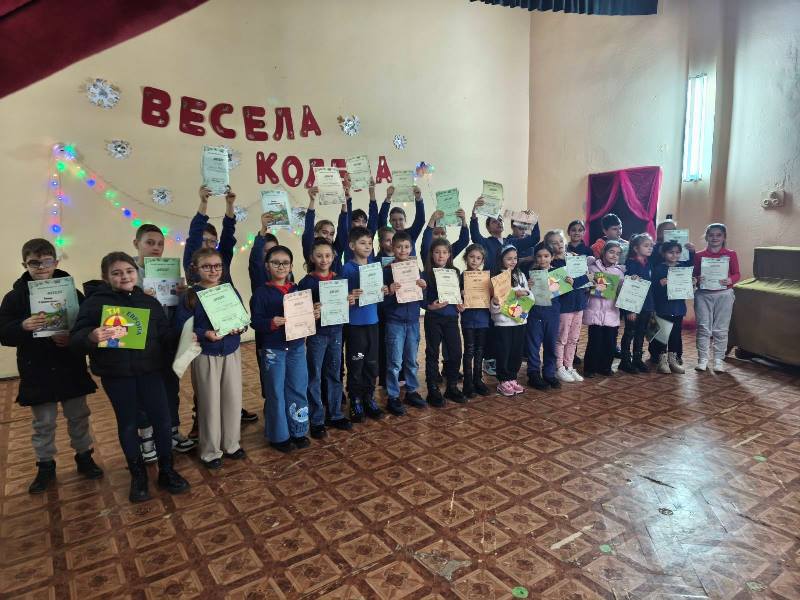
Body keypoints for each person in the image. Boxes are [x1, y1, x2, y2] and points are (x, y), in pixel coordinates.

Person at [70, 252, 189, 502]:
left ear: (137, 273)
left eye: (129, 271)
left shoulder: (149, 302)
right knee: (128, 424)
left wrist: (186, 336)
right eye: (116, 273)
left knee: (163, 421)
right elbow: (77, 338)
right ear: (106, 277)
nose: (124, 276)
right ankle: (138, 476)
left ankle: (167, 470)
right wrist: (92, 336)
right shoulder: (94, 304)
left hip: (151, 372)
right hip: (117, 375)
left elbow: (164, 335)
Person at [0, 238, 102, 494]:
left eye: (46, 261)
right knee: (43, 422)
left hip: (70, 367)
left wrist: (72, 337)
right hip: (37, 369)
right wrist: (23, 326)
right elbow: (4, 333)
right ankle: (45, 465)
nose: (41, 267)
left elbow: (86, 324)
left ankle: (84, 456)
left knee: (78, 416)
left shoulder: (72, 292)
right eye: (34, 263)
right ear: (25, 264)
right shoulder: (14, 298)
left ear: (55, 262)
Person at [183, 185, 258, 427]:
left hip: (229, 330)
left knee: (230, 382)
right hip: (206, 338)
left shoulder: (220, 261)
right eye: (204, 241)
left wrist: (229, 205)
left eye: (212, 242)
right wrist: (203, 203)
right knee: (206, 385)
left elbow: (228, 236)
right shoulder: (193, 266)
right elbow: (194, 234)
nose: (208, 245)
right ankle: (201, 422)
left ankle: (233, 413)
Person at [176, 248, 245, 469]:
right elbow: (182, 326)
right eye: (207, 266)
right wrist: (205, 333)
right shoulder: (190, 296)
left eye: (217, 266)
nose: (213, 270)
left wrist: (240, 326)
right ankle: (210, 451)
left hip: (231, 351)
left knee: (233, 399)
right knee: (209, 403)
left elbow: (242, 318)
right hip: (206, 354)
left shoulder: (229, 290)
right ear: (196, 268)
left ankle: (231, 444)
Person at [132, 223, 195, 459]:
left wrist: (182, 294)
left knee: (170, 387)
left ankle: (172, 430)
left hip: (168, 341)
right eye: (150, 242)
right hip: (142, 345)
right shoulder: (128, 273)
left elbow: (177, 309)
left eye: (160, 243)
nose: (156, 248)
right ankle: (147, 437)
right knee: (144, 392)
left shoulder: (169, 271)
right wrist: (141, 298)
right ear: (136, 244)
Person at [251, 245, 315, 452]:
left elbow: (304, 316)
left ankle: (298, 430)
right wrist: (271, 322)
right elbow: (255, 322)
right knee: (276, 392)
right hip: (273, 350)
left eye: (285, 263)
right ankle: (279, 436)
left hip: (296, 347)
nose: (281, 266)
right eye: (275, 262)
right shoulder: (261, 293)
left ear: (291, 266)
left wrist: (312, 314)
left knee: (297, 387)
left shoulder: (297, 291)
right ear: (267, 266)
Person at [297, 238, 353, 437]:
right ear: (312, 257)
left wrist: (349, 300)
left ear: (333, 257)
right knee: (314, 375)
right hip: (317, 335)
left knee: (334, 373)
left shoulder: (339, 280)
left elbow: (343, 305)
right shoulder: (306, 282)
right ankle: (317, 419)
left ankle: (335, 414)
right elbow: (299, 312)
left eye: (328, 255)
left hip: (336, 332)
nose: (324, 259)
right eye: (319, 256)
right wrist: (311, 310)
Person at [340, 227, 388, 422]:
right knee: (356, 363)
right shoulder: (347, 268)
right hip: (355, 325)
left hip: (373, 323)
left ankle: (369, 398)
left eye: (369, 243)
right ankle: (355, 400)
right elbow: (340, 297)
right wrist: (349, 296)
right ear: (352, 246)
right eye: (362, 243)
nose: (367, 246)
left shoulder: (375, 267)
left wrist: (384, 290)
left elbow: (378, 292)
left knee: (371, 364)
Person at [382, 231, 427, 414]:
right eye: (399, 247)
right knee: (394, 363)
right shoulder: (387, 271)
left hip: (413, 321)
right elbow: (381, 302)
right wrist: (390, 291)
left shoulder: (416, 270)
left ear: (411, 248)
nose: (403, 250)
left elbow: (422, 300)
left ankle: (411, 391)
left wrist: (424, 288)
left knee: (411, 360)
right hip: (395, 322)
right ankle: (392, 396)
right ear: (392, 248)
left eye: (406, 247)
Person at [422, 238, 465, 406]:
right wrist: (429, 306)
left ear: (449, 255)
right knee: (432, 353)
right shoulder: (426, 274)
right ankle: (432, 389)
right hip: (433, 318)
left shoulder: (455, 272)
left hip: (451, 318)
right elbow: (421, 299)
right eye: (437, 252)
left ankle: (452, 387)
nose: (441, 255)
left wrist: (461, 303)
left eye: (444, 252)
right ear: (431, 254)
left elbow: (458, 296)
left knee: (456, 352)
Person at [693, 223, 740, 373]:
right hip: (703, 295)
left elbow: (737, 274)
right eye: (711, 235)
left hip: (724, 295)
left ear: (724, 237)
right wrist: (697, 279)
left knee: (721, 329)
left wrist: (730, 280)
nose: (715, 238)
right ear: (706, 237)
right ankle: (702, 359)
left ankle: (719, 360)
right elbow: (693, 276)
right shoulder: (699, 255)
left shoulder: (731, 254)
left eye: (718, 235)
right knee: (703, 328)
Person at [546, 229, 590, 383]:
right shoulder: (551, 264)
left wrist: (575, 281)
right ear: (548, 246)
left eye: (560, 241)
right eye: (554, 242)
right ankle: (559, 367)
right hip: (564, 307)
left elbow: (585, 279)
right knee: (562, 338)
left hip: (579, 304)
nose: (559, 244)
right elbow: (553, 287)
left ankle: (569, 365)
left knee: (574, 338)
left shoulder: (574, 258)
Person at [490, 245, 530, 396]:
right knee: (504, 351)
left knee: (516, 351)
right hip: (503, 322)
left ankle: (512, 378)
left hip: (519, 320)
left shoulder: (520, 275)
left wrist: (525, 293)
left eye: (515, 258)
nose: (513, 261)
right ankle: (503, 380)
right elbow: (495, 303)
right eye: (509, 259)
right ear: (501, 260)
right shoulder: (497, 278)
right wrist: (496, 302)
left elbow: (528, 293)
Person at [582, 242, 626, 378]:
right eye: (611, 252)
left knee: (610, 343)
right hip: (594, 312)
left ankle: (605, 367)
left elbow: (622, 292)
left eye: (618, 253)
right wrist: (590, 286)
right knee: (594, 342)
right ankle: (590, 368)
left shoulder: (619, 272)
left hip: (611, 313)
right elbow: (585, 285)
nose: (614, 255)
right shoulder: (592, 267)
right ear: (603, 252)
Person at [652, 241, 695, 374]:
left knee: (675, 335)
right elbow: (653, 289)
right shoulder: (659, 268)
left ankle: (673, 360)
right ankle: (662, 360)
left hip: (678, 307)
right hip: (663, 307)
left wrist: (692, 282)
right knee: (663, 335)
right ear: (664, 253)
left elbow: (688, 282)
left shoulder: (683, 267)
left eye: (677, 252)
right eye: (671, 252)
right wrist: (660, 284)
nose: (674, 255)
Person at [526, 242, 563, 389]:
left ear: (552, 257)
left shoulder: (558, 273)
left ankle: (549, 373)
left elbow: (564, 293)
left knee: (550, 344)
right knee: (533, 345)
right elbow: (525, 295)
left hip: (552, 314)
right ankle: (533, 374)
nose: (543, 259)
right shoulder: (531, 273)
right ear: (535, 258)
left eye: (546, 256)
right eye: (539, 256)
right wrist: (527, 286)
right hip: (534, 313)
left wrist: (569, 283)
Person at [619, 233, 655, 374]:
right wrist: (629, 310)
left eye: (651, 246)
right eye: (646, 245)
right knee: (629, 333)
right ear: (635, 248)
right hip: (633, 306)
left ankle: (637, 359)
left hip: (646, 305)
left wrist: (651, 306)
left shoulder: (649, 263)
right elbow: (628, 289)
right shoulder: (630, 264)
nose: (650, 248)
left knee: (641, 333)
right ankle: (625, 361)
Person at [459, 244, 491, 398]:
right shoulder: (462, 276)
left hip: (483, 318)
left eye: (478, 258)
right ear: (466, 258)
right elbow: (455, 296)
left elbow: (491, 295)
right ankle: (468, 383)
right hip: (468, 319)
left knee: (480, 351)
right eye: (471, 257)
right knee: (469, 351)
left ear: (482, 261)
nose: (474, 260)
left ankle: (478, 380)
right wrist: (461, 294)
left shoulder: (486, 277)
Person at [303, 183, 349, 262]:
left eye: (331, 234)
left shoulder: (336, 249)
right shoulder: (310, 250)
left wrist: (344, 201)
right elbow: (308, 230)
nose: (328, 237)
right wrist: (312, 201)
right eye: (324, 232)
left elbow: (342, 229)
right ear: (315, 233)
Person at [378, 185, 426, 254]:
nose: (397, 223)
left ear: (405, 220)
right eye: (394, 220)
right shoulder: (386, 234)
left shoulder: (411, 233)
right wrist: (388, 198)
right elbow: (381, 219)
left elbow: (420, 220)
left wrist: (418, 198)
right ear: (390, 221)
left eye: (400, 219)